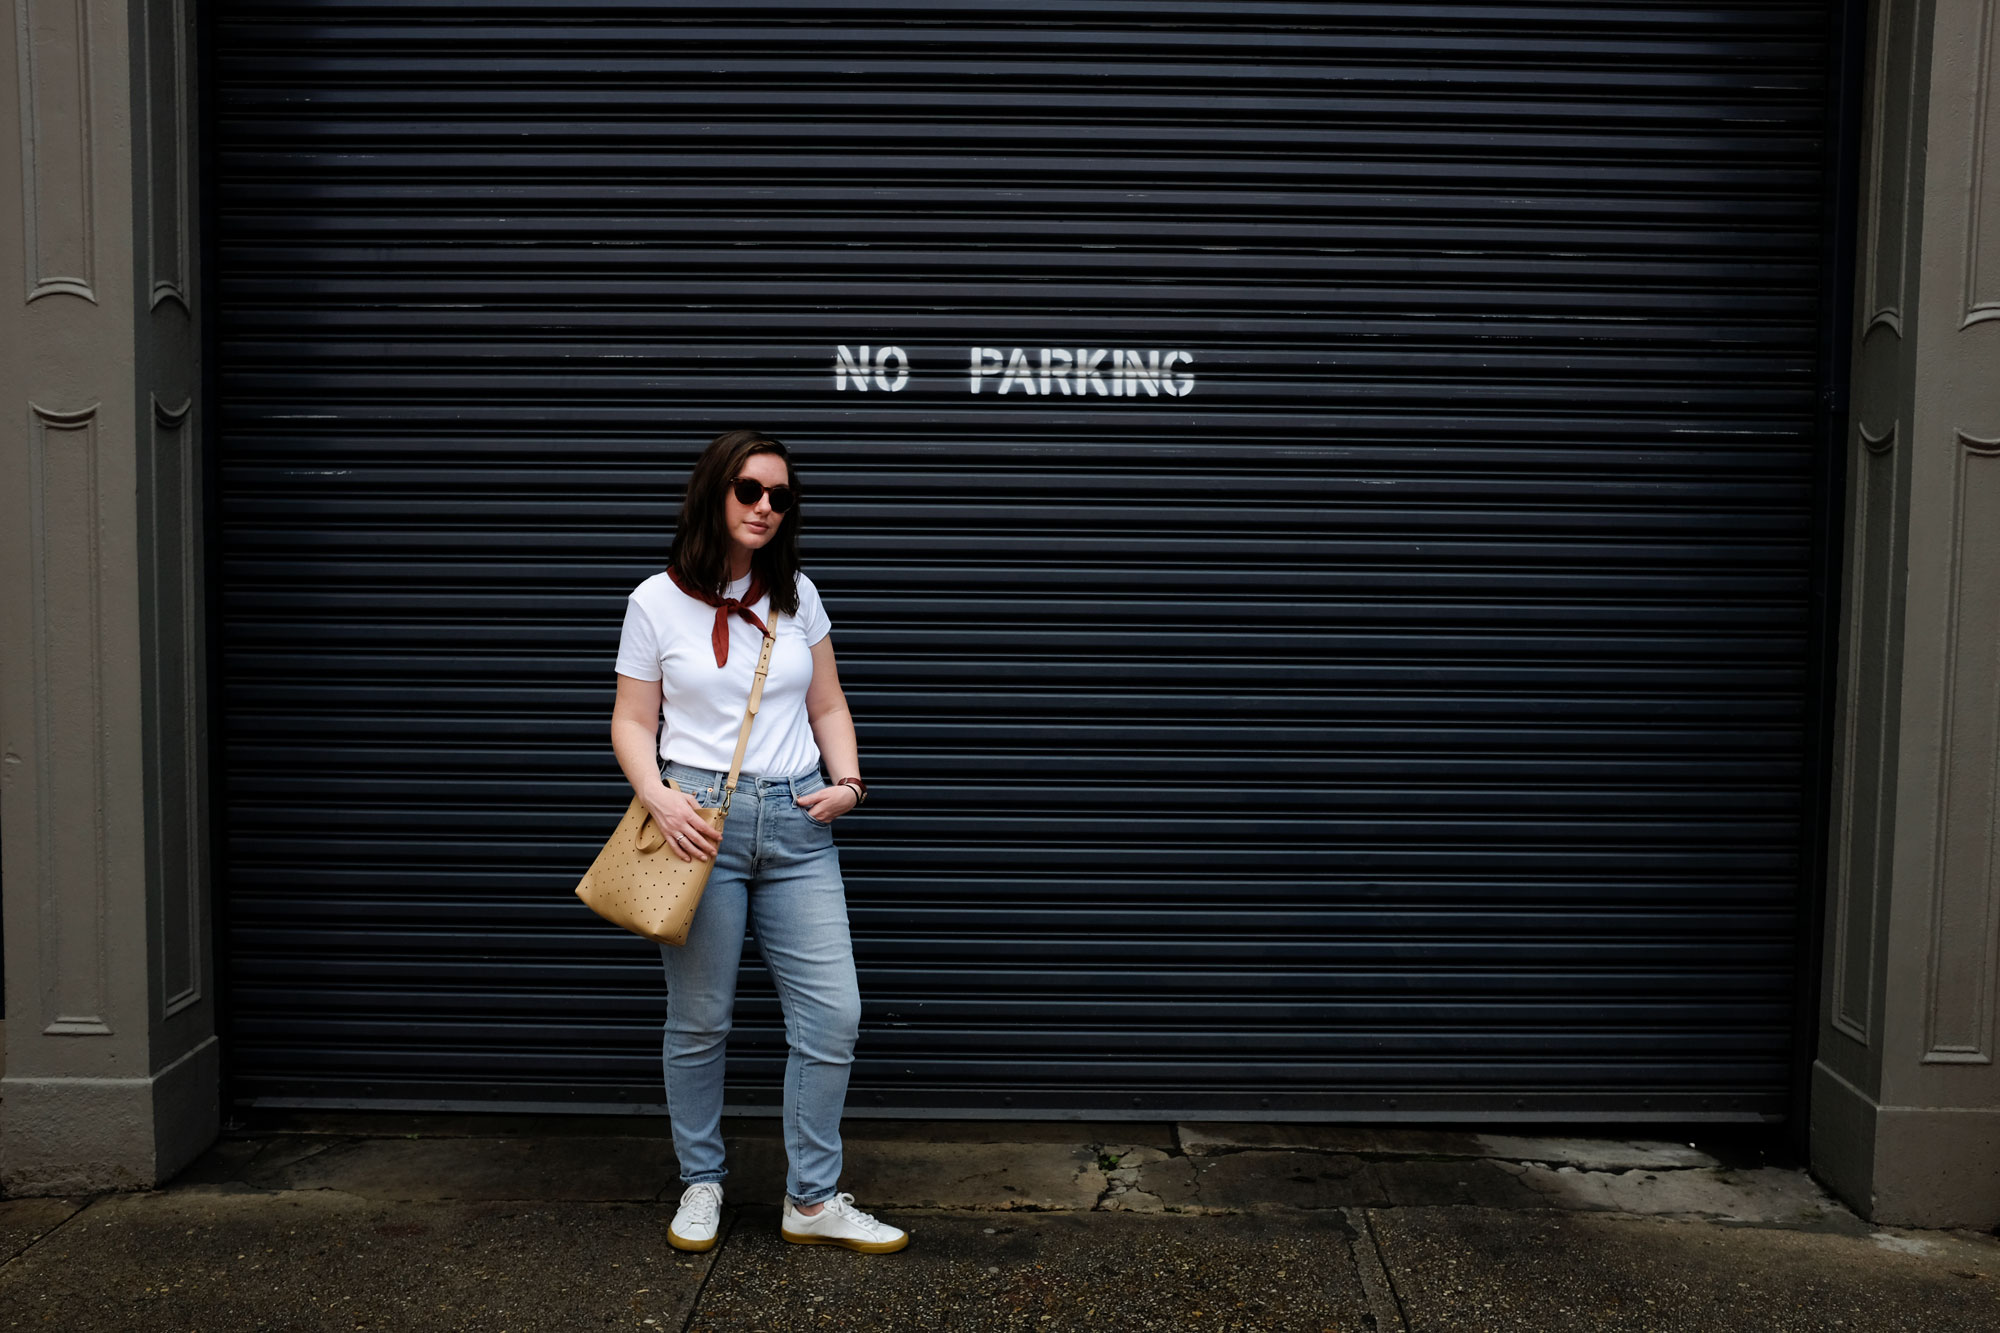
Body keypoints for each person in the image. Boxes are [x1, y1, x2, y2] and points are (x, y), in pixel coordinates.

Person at [609, 429, 907, 1255]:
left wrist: (848, 783)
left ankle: (810, 1198)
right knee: (700, 1019)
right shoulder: (653, 602)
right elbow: (633, 721)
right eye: (750, 490)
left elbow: (828, 705)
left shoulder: (797, 595)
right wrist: (659, 797)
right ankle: (701, 1181)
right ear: (715, 493)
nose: (766, 507)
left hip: (798, 826)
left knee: (833, 1015)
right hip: (695, 821)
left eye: (781, 496)